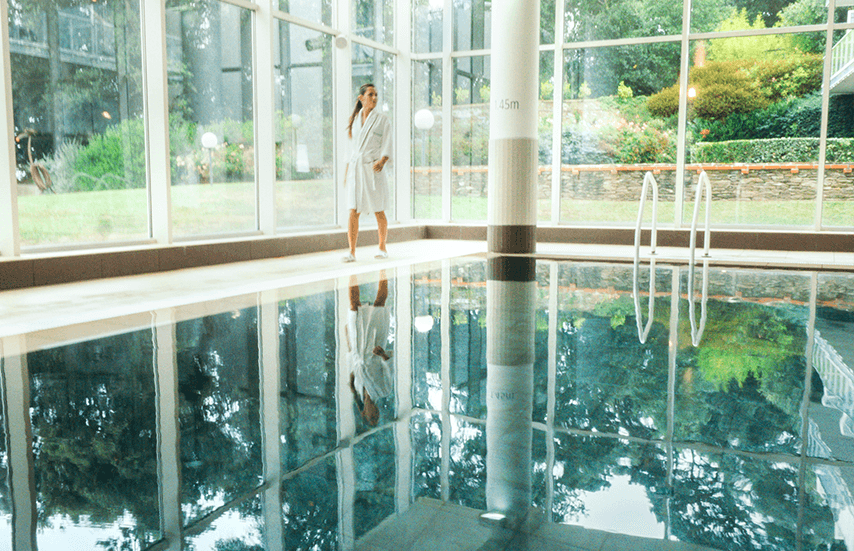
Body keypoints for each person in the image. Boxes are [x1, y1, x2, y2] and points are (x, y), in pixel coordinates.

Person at [342, 83, 393, 262]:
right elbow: (350, 150)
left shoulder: (382, 120)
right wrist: (346, 173)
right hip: (356, 171)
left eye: (376, 95)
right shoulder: (354, 121)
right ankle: (351, 251)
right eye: (371, 94)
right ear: (361, 97)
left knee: (379, 209)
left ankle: (382, 247)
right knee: (353, 210)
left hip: (372, 169)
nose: (374, 98)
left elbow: (388, 141)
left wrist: (383, 160)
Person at [346, 272, 393, 426]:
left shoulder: (358, 388)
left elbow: (353, 359)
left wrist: (348, 337)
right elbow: (389, 368)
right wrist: (383, 354)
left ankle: (352, 272)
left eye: (372, 417)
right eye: (377, 417)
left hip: (358, 345)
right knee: (380, 303)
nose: (376, 415)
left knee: (354, 306)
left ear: (364, 413)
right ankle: (383, 270)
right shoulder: (384, 390)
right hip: (375, 347)